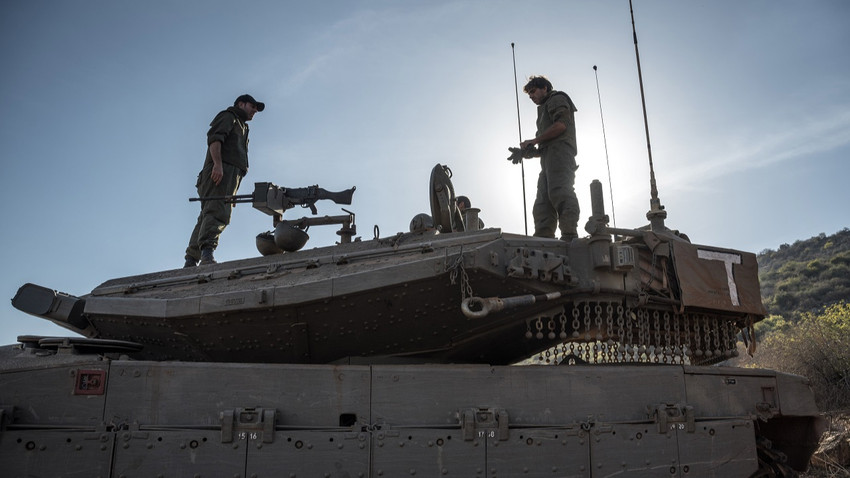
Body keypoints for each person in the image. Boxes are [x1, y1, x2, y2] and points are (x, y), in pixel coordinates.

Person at [184, 94, 265, 267]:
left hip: (229, 178)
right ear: (241, 104)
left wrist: (233, 192)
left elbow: (239, 164)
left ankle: (191, 260)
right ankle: (206, 255)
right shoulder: (229, 117)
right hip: (219, 173)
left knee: (208, 214)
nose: (254, 111)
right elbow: (215, 140)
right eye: (252, 106)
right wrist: (218, 165)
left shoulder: (243, 127)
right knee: (217, 213)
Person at [508, 76, 580, 241]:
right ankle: (543, 239)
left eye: (533, 91)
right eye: (529, 94)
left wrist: (533, 141)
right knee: (542, 202)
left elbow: (561, 125)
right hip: (548, 159)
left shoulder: (557, 98)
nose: (531, 96)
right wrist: (526, 152)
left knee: (561, 192)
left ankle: (569, 235)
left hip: (561, 155)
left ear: (545, 88)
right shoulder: (542, 111)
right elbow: (543, 147)